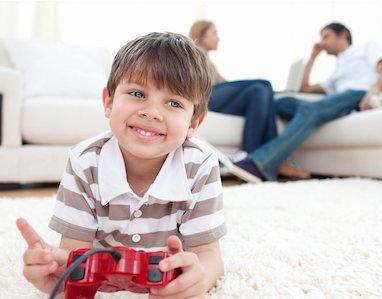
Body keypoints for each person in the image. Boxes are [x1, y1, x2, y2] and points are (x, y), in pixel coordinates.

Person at [16, 32, 227, 298]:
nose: (151, 112)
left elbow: (209, 255)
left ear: (194, 124)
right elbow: (74, 251)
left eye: (174, 103)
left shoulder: (201, 164)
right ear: (108, 102)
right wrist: (58, 271)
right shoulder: (85, 161)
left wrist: (200, 279)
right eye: (138, 93)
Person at [229, 22, 382, 181]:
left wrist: (372, 92)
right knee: (279, 102)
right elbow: (304, 87)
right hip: (340, 102)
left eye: (326, 37)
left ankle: (260, 162)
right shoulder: (336, 72)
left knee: (309, 110)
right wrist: (313, 57)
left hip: (362, 96)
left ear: (342, 35)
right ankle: (281, 161)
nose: (322, 42)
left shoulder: (366, 48)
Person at [189, 20, 310, 181]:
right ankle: (274, 159)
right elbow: (205, 85)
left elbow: (227, 84)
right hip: (206, 96)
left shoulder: (211, 62)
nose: (218, 38)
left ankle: (252, 160)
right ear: (202, 35)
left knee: (258, 91)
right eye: (214, 33)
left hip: (218, 96)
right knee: (264, 84)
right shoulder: (195, 53)